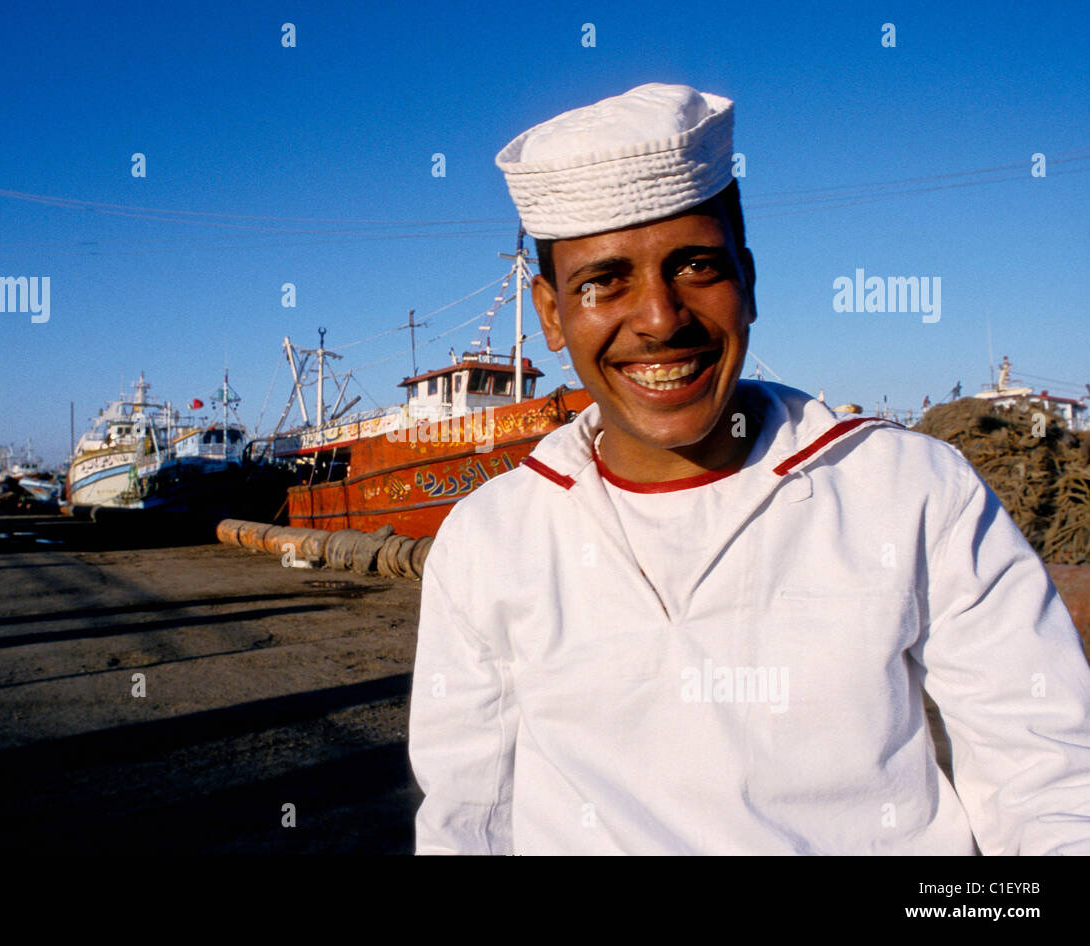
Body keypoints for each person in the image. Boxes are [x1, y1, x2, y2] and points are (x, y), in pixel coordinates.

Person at [407, 82, 1090, 855]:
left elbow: (1048, 774)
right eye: (604, 282)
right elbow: (470, 818)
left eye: (696, 267)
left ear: (750, 280)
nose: (660, 320)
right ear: (552, 314)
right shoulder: (490, 541)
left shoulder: (911, 492)